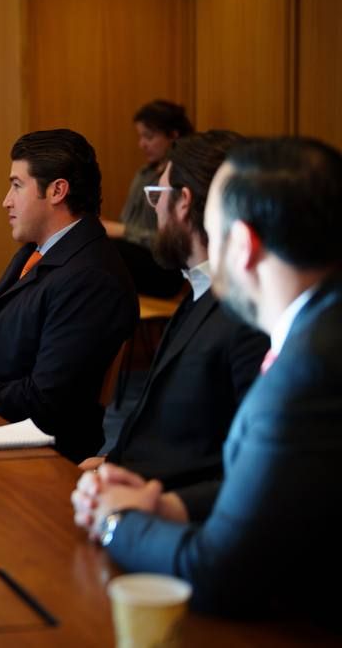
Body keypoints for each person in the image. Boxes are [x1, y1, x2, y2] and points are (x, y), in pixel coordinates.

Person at [73, 137, 342, 622]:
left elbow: (216, 572)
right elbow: (273, 481)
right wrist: (170, 507)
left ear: (242, 246)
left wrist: (114, 521)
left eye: (215, 237)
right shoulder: (322, 327)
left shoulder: (305, 374)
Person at [81, 131, 267, 501]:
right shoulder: (199, 291)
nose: (154, 209)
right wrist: (111, 463)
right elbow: (156, 423)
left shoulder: (247, 318)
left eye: (157, 195)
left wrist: (157, 502)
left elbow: (246, 470)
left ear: (183, 202)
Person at [0, 129, 137, 461]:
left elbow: (47, 401)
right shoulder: (38, 249)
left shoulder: (91, 279)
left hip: (23, 448)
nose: (6, 200)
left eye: (17, 185)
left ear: (57, 190)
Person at [106, 100, 193, 297]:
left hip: (163, 266)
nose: (142, 144)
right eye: (140, 137)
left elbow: (176, 240)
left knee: (111, 252)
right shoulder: (143, 174)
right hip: (134, 256)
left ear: (173, 135)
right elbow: (124, 223)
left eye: (149, 137)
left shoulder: (181, 177)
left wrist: (123, 231)